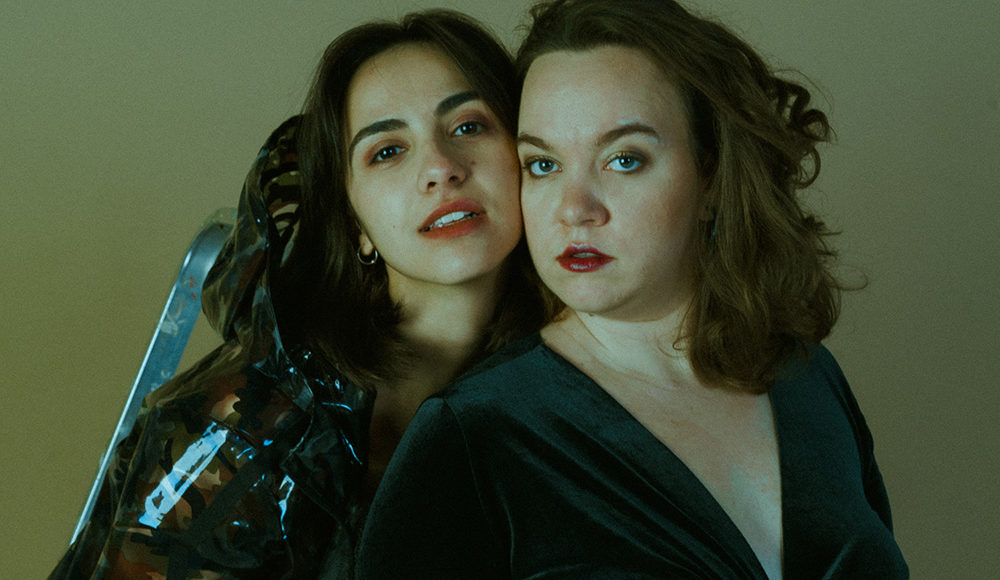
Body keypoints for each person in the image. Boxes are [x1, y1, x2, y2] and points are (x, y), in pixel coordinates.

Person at [356, 0, 908, 578]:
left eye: (623, 160)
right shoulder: (471, 437)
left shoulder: (807, 375)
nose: (574, 209)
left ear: (712, 179)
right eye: (542, 165)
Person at [51, 9, 544, 579]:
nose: (441, 168)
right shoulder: (241, 429)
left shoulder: (570, 374)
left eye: (468, 126)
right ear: (355, 224)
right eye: (386, 150)